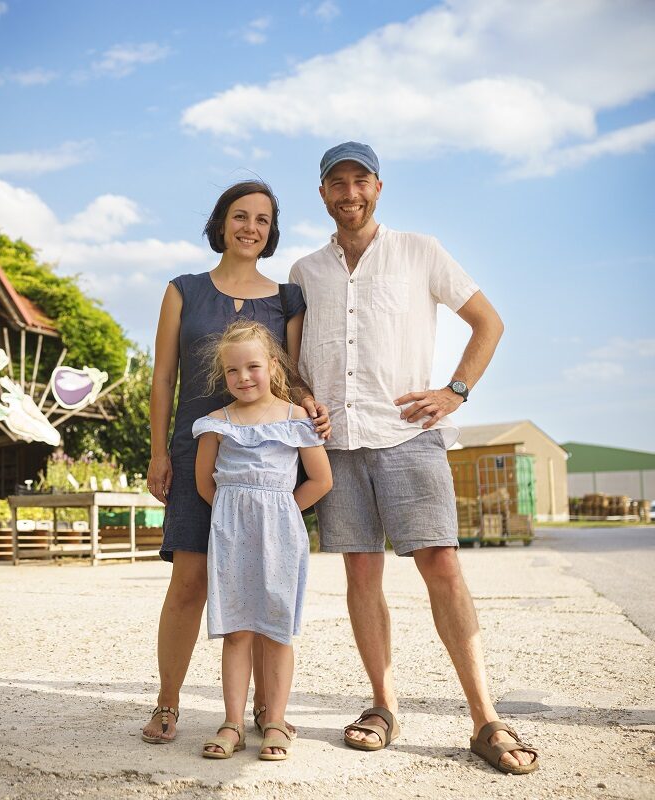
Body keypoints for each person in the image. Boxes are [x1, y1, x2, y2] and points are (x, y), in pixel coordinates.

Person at [288, 141, 538, 774]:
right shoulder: (304, 272)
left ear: (378, 187)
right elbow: (292, 362)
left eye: (360, 180)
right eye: (336, 183)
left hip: (408, 436)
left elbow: (488, 322)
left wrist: (453, 392)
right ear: (322, 194)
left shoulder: (420, 250)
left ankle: (484, 719)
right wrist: (303, 397)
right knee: (361, 576)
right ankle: (383, 706)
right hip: (337, 447)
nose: (349, 193)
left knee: (444, 568)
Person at [142, 181, 330, 745]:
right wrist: (156, 451)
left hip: (266, 465)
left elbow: (290, 374)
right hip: (195, 450)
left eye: (263, 220)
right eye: (241, 216)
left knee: (267, 587)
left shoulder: (286, 297)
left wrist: (309, 404)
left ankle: (267, 712)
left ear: (271, 232)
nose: (251, 227)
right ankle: (168, 703)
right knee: (189, 580)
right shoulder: (184, 290)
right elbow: (162, 377)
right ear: (221, 223)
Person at [192, 320, 332, 760]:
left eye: (253, 367)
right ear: (223, 375)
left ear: (273, 366)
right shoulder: (217, 422)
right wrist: (237, 513)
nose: (243, 378)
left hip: (281, 536)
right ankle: (232, 722)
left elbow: (321, 480)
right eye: (232, 372)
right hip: (232, 534)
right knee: (237, 630)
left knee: (275, 631)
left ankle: (275, 720)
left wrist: (282, 509)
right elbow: (205, 485)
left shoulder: (295, 419)